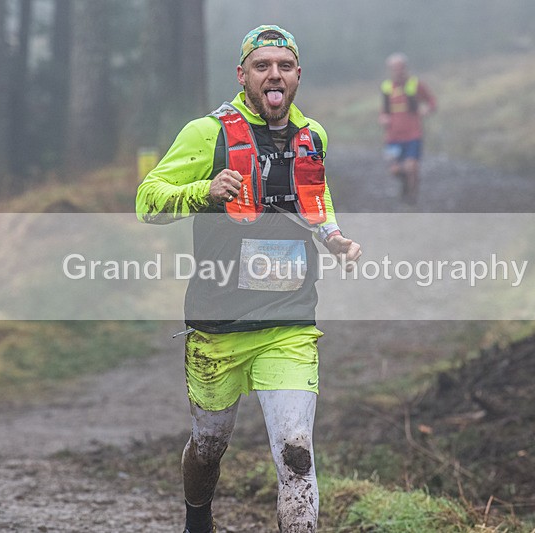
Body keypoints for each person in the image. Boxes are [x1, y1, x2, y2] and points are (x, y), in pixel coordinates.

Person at [136, 25, 362, 533]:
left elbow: (313, 201)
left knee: (297, 455)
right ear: (243, 76)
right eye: (262, 66)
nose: (274, 74)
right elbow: (146, 201)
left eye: (284, 65)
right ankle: (198, 518)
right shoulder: (206, 133)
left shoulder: (312, 137)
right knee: (210, 446)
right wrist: (204, 191)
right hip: (218, 327)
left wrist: (334, 237)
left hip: (289, 322)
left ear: (298, 75)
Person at [379, 52, 437, 205]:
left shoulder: (415, 84)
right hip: (392, 136)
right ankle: (405, 184)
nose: (398, 71)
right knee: (395, 170)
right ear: (389, 70)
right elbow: (384, 110)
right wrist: (383, 118)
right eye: (394, 68)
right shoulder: (386, 87)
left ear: (406, 68)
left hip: (413, 133)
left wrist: (427, 110)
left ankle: (412, 198)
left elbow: (431, 101)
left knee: (411, 167)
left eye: (401, 68)